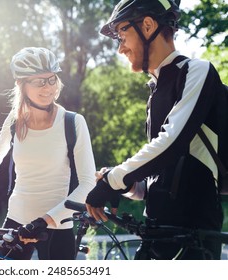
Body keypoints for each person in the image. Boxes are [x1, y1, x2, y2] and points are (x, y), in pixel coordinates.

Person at [85, 0, 226, 260]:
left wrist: (114, 180)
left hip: (193, 238)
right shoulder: (155, 92)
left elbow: (172, 143)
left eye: (122, 33)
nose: (120, 48)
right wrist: (122, 185)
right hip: (155, 233)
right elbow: (153, 183)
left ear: (148, 25)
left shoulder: (196, 71)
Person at [0, 47, 96, 260]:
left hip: (57, 225)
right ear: (21, 85)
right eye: (39, 81)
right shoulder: (15, 121)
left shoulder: (73, 122)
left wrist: (44, 221)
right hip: (16, 222)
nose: (48, 87)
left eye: (51, 79)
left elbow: (88, 183)